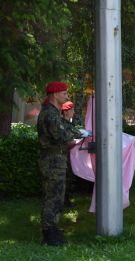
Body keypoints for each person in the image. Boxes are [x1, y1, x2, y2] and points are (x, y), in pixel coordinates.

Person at [37, 81, 73, 246]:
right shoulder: (51, 114)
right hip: (52, 162)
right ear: (55, 94)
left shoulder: (52, 112)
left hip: (53, 161)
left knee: (54, 196)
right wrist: (73, 139)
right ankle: (49, 235)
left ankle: (51, 229)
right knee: (53, 197)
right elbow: (62, 136)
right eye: (64, 93)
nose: (66, 96)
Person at [61, 101, 83, 208]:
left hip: (66, 155)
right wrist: (75, 141)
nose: (73, 112)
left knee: (68, 177)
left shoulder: (67, 123)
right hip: (62, 156)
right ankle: (65, 201)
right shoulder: (63, 124)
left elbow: (77, 133)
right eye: (72, 110)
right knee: (65, 178)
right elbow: (68, 140)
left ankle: (66, 200)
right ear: (66, 112)